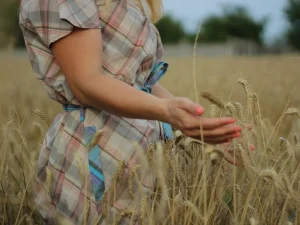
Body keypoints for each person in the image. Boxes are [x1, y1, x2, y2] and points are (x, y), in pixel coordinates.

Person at [19, 0, 242, 224]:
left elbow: (138, 80)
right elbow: (86, 83)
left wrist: (201, 125)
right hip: (98, 153)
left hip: (144, 153)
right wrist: (166, 110)